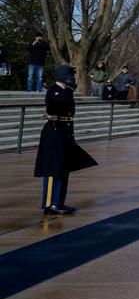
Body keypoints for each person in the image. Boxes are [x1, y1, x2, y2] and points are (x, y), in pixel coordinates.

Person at [34, 64, 98, 214]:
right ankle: (50, 204)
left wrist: (69, 90)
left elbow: (70, 111)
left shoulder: (65, 91)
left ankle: (59, 202)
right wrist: (69, 89)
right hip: (54, 132)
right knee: (52, 169)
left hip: (65, 133)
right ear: (64, 76)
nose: (72, 79)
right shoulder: (54, 90)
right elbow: (58, 103)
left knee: (63, 169)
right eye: (70, 75)